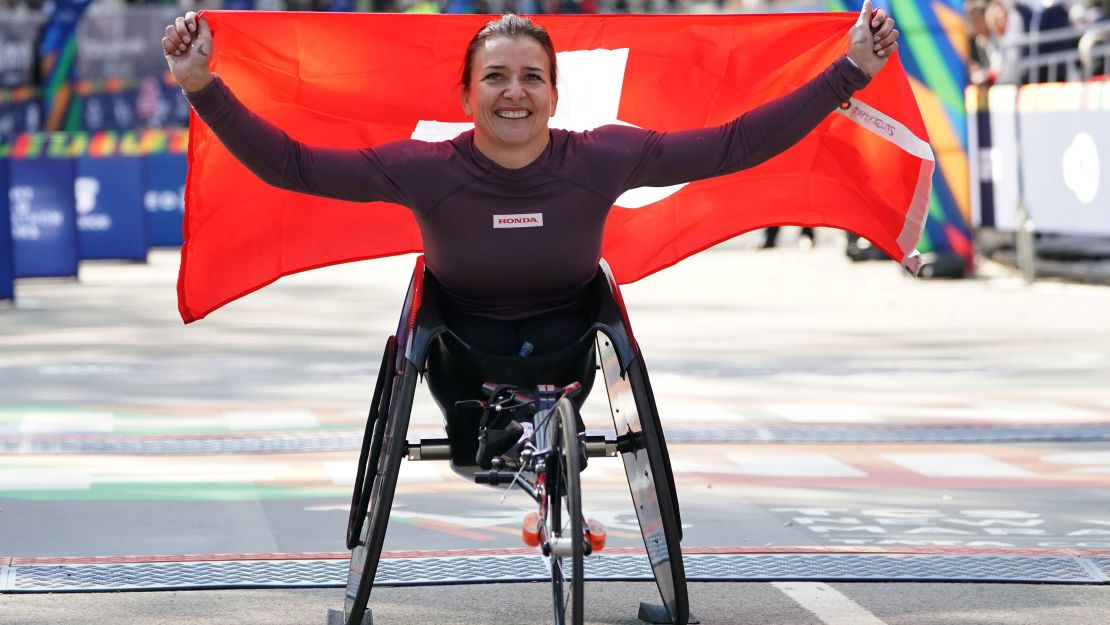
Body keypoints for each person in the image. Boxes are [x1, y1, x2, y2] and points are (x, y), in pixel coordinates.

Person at [162, 6, 899, 473]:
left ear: (554, 92)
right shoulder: (422, 167)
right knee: (470, 383)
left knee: (563, 369)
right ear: (465, 95)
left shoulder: (604, 155)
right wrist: (202, 85)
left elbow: (733, 144)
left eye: (530, 78)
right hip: (457, 357)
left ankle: (544, 439)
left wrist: (850, 72)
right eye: (495, 77)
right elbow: (290, 165)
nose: (513, 91)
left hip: (571, 346)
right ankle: (496, 434)